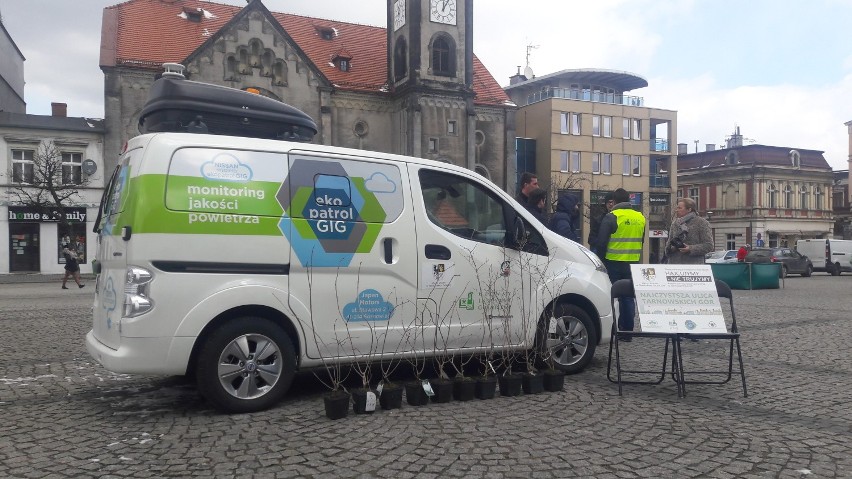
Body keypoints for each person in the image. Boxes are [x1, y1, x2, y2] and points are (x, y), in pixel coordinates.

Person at [593, 188, 646, 335]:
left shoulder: (612, 216)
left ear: (614, 201)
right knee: (628, 296)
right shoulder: (640, 217)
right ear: (629, 200)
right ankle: (628, 331)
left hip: (613, 262)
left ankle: (613, 328)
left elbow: (601, 243)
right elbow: (641, 241)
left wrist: (601, 260)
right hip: (633, 262)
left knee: (613, 296)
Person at [665, 198, 714, 265]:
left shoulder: (702, 223)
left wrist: (690, 248)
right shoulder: (675, 223)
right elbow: (668, 244)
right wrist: (671, 247)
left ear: (689, 209)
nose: (677, 210)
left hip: (693, 267)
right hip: (674, 266)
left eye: (680, 208)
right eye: (677, 208)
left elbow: (709, 245)